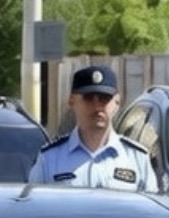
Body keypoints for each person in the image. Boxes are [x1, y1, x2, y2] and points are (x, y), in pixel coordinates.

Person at [27, 65, 157, 190]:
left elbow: (151, 205)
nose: (97, 106)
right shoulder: (49, 159)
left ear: (117, 102)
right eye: (88, 98)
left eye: (104, 98)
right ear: (72, 101)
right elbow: (34, 203)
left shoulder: (136, 158)